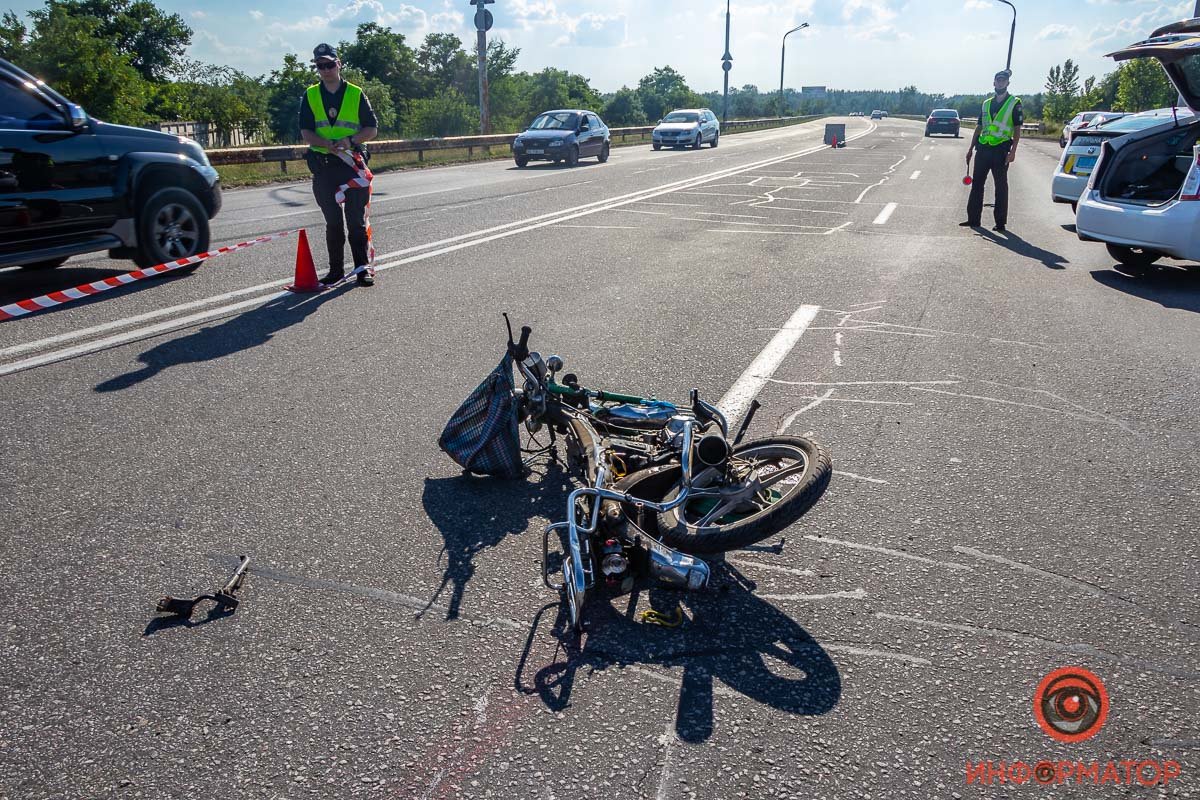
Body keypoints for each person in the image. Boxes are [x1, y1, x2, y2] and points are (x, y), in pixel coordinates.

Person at [298, 43, 379, 286]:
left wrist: (350, 140)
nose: (325, 69)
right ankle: (335, 271)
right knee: (333, 223)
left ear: (339, 63)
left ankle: (361, 269)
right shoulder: (310, 95)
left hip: (351, 164)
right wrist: (326, 143)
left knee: (355, 222)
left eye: (329, 64)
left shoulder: (355, 93)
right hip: (324, 165)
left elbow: (372, 129)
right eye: (320, 65)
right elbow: (306, 132)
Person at [961, 69, 1022, 233]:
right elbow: (979, 127)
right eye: (998, 80)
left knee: (1000, 186)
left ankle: (1000, 223)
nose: (1000, 83)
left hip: (1001, 149)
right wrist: (970, 148)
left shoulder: (1014, 103)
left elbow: (1017, 129)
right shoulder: (986, 103)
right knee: (977, 184)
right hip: (983, 148)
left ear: (1007, 83)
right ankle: (973, 219)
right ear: (994, 83)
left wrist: (1013, 152)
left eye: (1003, 80)